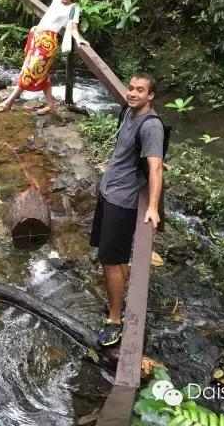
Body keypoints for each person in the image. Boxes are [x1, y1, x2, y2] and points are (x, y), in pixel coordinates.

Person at [90, 73, 164, 347]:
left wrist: (153, 206)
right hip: (109, 190)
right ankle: (117, 303)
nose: (132, 93)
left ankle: (114, 320)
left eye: (140, 90)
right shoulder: (127, 112)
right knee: (113, 257)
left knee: (110, 260)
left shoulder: (151, 126)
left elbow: (155, 168)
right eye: (131, 88)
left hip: (122, 201)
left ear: (150, 96)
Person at [0, 0, 88, 115]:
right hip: (37, 36)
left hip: (48, 43)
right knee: (39, 72)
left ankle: (8, 102)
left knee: (29, 71)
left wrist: (80, 40)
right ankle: (50, 104)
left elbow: (73, 28)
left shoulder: (73, 8)